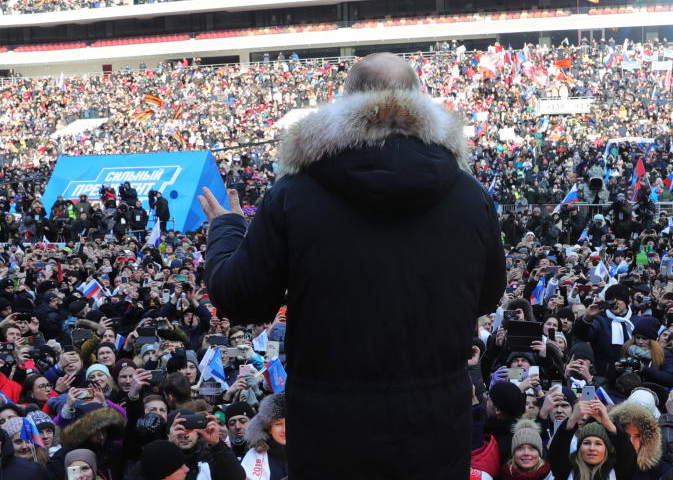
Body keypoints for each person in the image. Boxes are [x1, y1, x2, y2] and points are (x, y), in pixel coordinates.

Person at [199, 52, 506, 478]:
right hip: (433, 427)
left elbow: (242, 300)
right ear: (419, 101)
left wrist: (227, 231)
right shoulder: (470, 195)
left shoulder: (295, 193)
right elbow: (488, 295)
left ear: (345, 102)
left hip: (331, 433)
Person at [240, 393, 286, 480]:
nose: (284, 429)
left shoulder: (309, 451)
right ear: (269, 428)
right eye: (278, 424)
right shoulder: (255, 455)